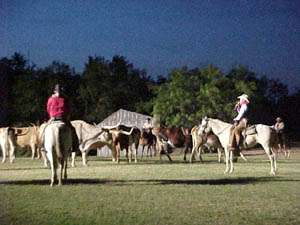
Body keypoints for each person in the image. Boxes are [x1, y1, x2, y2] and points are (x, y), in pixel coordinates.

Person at [46, 84, 79, 152]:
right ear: (54, 91)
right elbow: (48, 109)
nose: (59, 93)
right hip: (55, 118)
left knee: (73, 129)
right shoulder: (53, 99)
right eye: (58, 91)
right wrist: (52, 116)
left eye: (60, 91)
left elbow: (48, 109)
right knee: (43, 130)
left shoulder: (62, 99)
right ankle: (74, 146)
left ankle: (74, 146)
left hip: (61, 118)